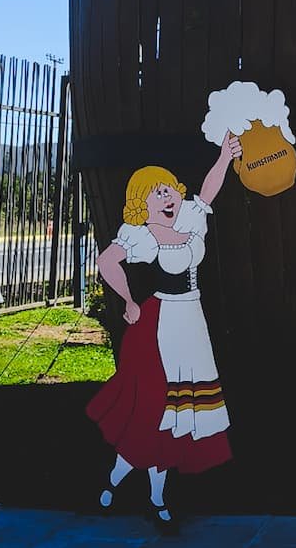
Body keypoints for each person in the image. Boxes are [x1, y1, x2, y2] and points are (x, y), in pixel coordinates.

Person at [86, 137, 239, 526]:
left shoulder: (188, 217)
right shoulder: (143, 235)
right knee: (155, 411)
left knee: (180, 413)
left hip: (192, 322)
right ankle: (120, 483)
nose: (167, 198)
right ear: (144, 203)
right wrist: (129, 301)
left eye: (169, 189)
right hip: (160, 326)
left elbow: (208, 192)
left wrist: (224, 157)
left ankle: (152, 494)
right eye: (157, 195)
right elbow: (107, 261)